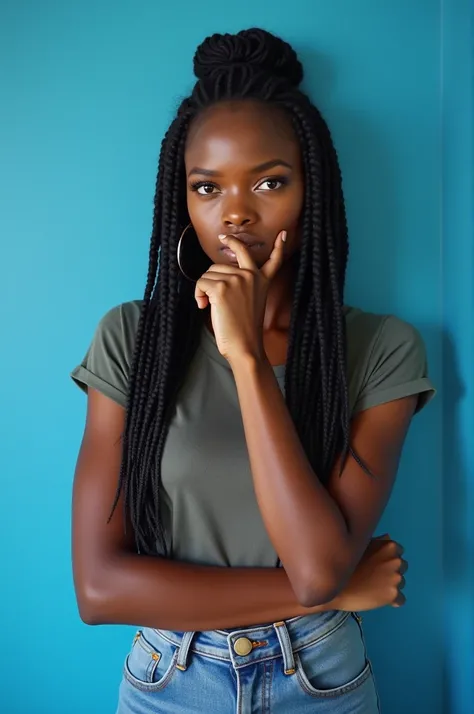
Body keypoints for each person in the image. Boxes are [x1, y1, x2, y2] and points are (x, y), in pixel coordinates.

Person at [70, 28, 435, 714]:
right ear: (183, 202)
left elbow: (319, 563)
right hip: (167, 680)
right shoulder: (132, 339)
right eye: (207, 186)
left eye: (270, 181)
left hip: (320, 679)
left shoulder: (382, 348)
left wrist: (244, 358)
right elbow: (99, 590)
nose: (235, 211)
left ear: (314, 191)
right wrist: (327, 592)